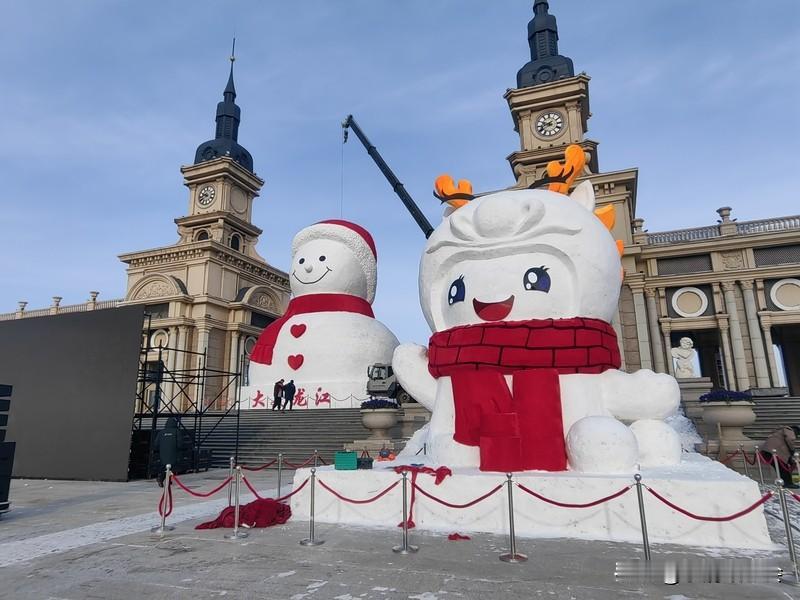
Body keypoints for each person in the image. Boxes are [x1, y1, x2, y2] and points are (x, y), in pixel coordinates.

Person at [155, 416, 181, 487]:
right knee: (171, 465)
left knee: (165, 465)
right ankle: (162, 478)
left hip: (163, 452)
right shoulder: (176, 432)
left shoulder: (161, 432)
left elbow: (156, 443)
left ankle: (167, 479)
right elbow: (180, 443)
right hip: (173, 452)